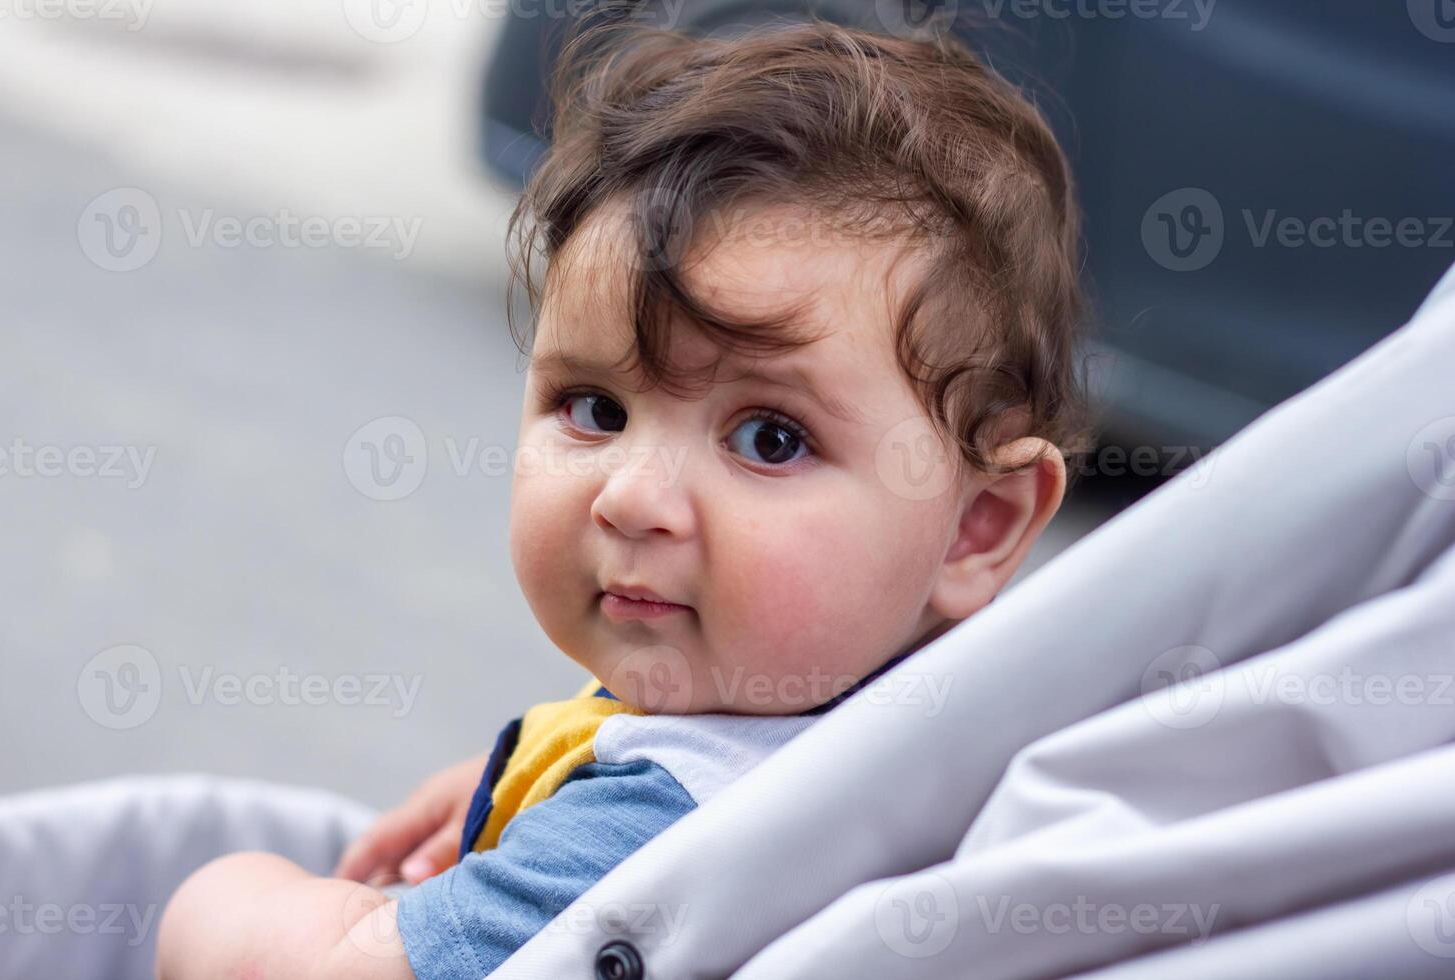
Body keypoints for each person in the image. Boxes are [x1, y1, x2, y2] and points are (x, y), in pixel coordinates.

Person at [154, 10, 1089, 979]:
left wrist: (216, 894)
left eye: (770, 437)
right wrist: (534, 784)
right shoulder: (864, 741)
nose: (633, 497)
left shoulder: (660, 835)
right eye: (595, 407)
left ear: (977, 524)